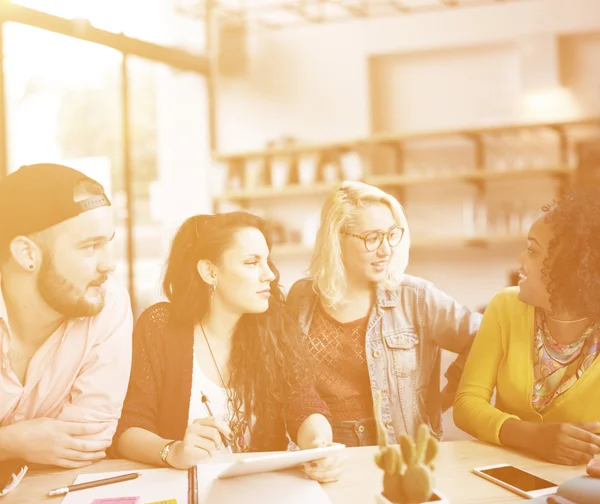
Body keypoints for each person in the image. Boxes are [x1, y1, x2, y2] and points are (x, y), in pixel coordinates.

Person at [114, 212, 341, 483]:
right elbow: (129, 429)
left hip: (260, 494)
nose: (269, 274)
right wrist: (173, 451)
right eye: (252, 262)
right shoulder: (160, 326)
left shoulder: (273, 324)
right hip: (182, 494)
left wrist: (319, 446)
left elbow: (304, 404)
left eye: (266, 260)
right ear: (210, 272)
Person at [286, 181, 481, 447]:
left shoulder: (416, 296)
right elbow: (290, 379)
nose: (386, 249)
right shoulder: (302, 297)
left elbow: (485, 337)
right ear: (336, 239)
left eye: (391, 234)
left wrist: (445, 397)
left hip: (397, 448)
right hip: (323, 446)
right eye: (372, 238)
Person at [454, 188, 600, 466]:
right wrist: (532, 437)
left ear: (570, 267)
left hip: (583, 484)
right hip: (507, 472)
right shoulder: (505, 307)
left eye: (532, 250)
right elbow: (467, 404)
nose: (520, 259)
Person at [0, 163, 133, 468]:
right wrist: (12, 443)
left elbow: (86, 442)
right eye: (90, 247)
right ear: (27, 254)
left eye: (107, 243)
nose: (109, 265)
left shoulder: (107, 303)